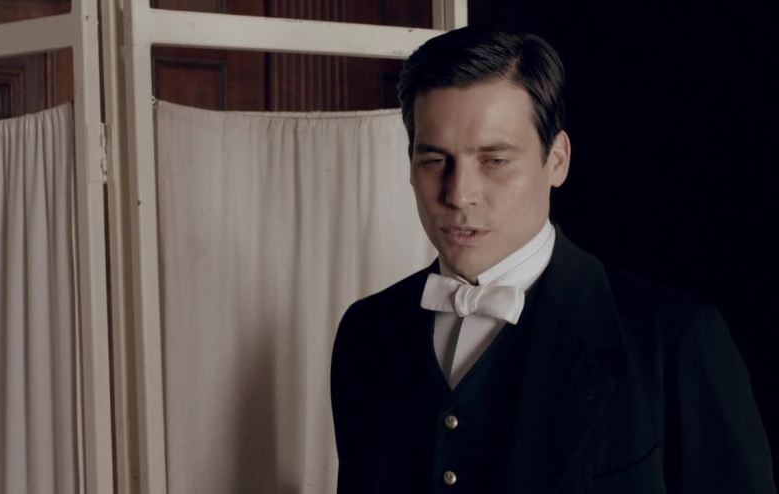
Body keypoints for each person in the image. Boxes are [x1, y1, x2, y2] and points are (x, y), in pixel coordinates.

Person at [330, 26, 776, 493]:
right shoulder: (367, 333)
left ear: (557, 159)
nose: (459, 194)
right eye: (435, 160)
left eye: (494, 160)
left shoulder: (675, 339)